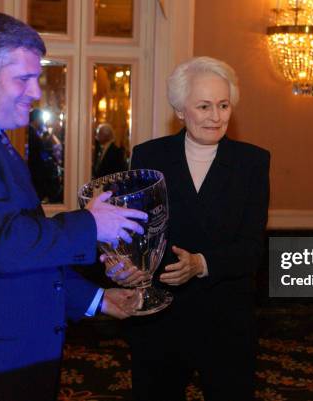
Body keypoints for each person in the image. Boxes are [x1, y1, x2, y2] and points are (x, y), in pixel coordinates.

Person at [0, 13, 147, 401]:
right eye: (23, 78)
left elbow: (17, 253)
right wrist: (90, 224)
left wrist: (97, 299)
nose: (36, 92)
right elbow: (2, 243)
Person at [108, 56, 270, 401]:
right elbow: (135, 234)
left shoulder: (253, 163)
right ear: (181, 110)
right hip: (160, 319)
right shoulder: (149, 156)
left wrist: (201, 263)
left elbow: (252, 249)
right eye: (204, 106)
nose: (216, 116)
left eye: (224, 105)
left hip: (225, 319)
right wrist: (120, 262)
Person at [28, 108, 63, 202]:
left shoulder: (34, 133)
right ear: (37, 119)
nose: (43, 122)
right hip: (36, 176)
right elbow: (40, 156)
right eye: (42, 119)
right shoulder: (32, 134)